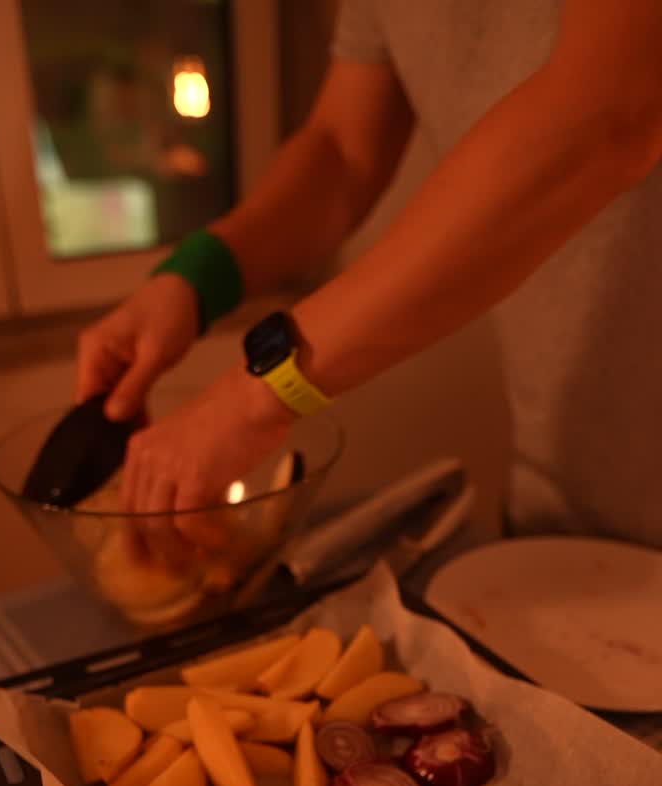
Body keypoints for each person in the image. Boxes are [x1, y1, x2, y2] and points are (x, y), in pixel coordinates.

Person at [76, 0, 662, 564]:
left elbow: (613, 109)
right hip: (561, 511)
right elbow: (343, 149)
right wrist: (193, 279)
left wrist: (255, 392)